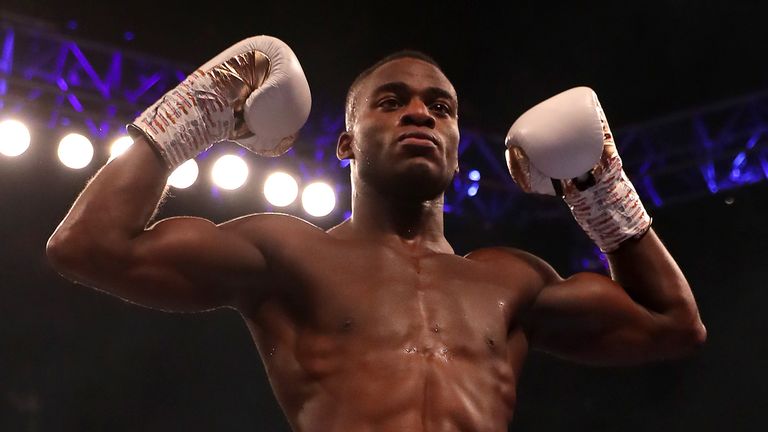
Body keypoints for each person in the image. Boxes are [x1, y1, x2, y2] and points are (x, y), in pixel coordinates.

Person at [46, 35, 706, 431]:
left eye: (439, 108)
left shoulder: (513, 280)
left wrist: (599, 189)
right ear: (345, 145)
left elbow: (673, 324)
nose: (419, 112)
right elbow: (88, 246)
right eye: (391, 102)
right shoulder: (288, 253)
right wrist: (195, 113)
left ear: (454, 148)